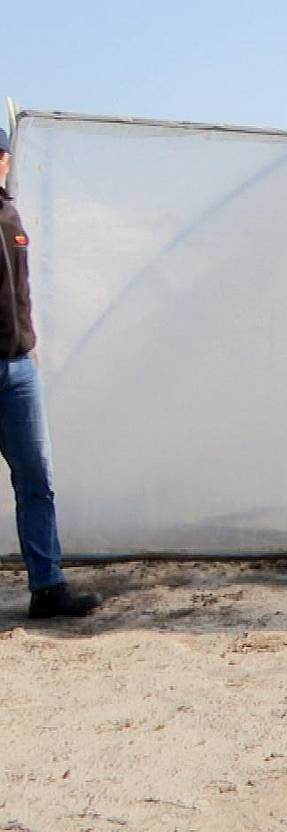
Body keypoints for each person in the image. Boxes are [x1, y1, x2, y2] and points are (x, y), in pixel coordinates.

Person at [0, 127, 100, 618]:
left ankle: (48, 588)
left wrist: (28, 343)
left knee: (36, 478)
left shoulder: (11, 216)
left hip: (18, 369)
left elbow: (20, 292)